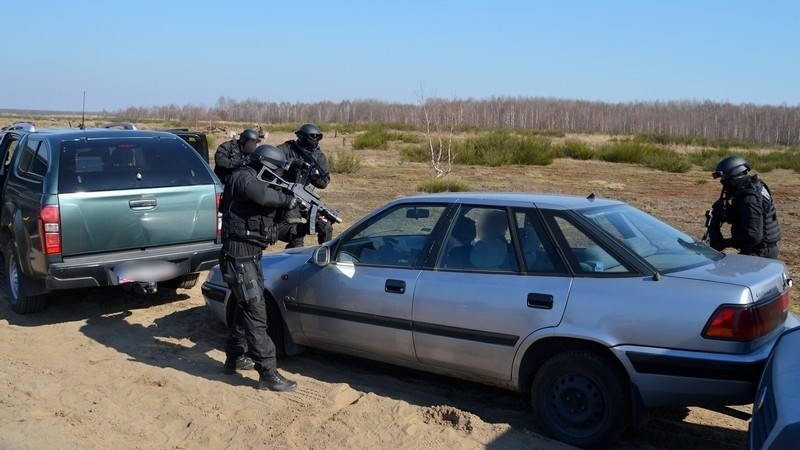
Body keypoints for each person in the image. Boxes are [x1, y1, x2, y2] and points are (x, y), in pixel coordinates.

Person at [218, 144, 311, 392]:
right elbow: (263, 195)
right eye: (275, 170)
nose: (277, 176)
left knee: (244, 308)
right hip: (238, 258)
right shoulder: (241, 178)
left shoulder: (258, 190)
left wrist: (305, 228)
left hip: (250, 258)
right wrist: (288, 200)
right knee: (257, 315)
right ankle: (268, 373)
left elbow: (273, 231)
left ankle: (235, 357)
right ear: (263, 165)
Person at [707, 155, 781, 259]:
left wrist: (725, 243)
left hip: (760, 253)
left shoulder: (749, 197)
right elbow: (747, 216)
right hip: (762, 250)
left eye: (724, 178)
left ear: (734, 175)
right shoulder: (753, 186)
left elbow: (752, 236)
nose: (723, 181)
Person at [277, 123, 332, 248]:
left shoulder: (318, 156)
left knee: (326, 225)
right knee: (296, 233)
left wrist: (314, 176)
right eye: (311, 139)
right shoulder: (287, 148)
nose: (315, 142)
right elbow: (271, 159)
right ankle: (293, 260)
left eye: (317, 139)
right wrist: (291, 163)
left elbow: (323, 183)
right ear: (302, 137)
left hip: (306, 197)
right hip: (288, 197)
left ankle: (325, 254)